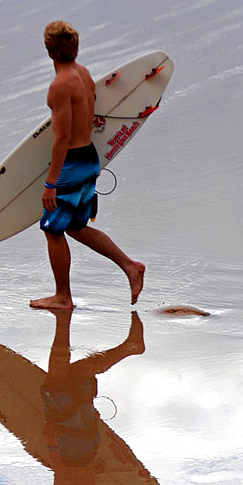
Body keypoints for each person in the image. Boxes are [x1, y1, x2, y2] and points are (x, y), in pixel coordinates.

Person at [30, 20, 145, 311]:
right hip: (90, 157)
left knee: (52, 229)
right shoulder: (84, 74)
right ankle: (130, 266)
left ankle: (62, 297)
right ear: (75, 48)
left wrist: (50, 183)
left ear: (48, 52)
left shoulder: (59, 86)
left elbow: (62, 138)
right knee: (76, 226)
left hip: (71, 163)